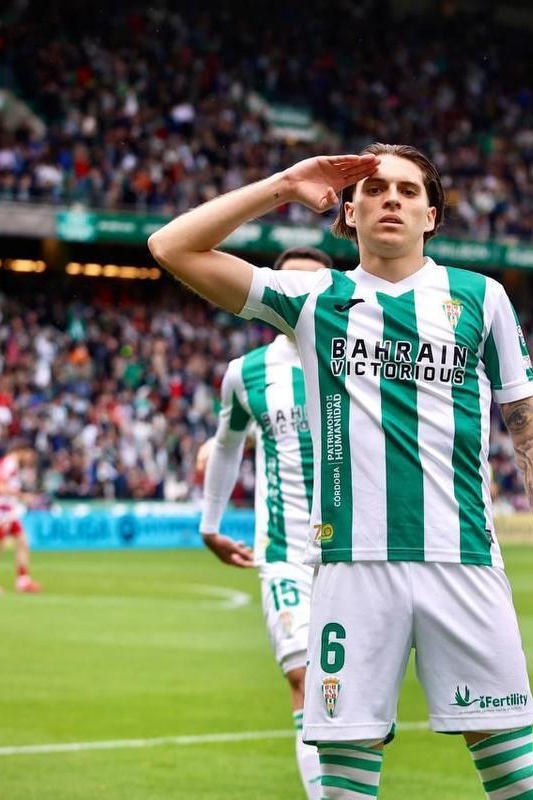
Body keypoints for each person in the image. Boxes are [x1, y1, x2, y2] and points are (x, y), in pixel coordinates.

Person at [149, 143, 533, 800]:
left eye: (409, 191)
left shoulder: (481, 298)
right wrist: (286, 184)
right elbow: (172, 246)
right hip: (350, 569)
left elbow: (529, 436)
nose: (391, 201)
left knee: (514, 779)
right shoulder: (312, 298)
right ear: (347, 210)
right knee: (347, 781)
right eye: (375, 190)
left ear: (432, 215)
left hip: (463, 561)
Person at [198, 246, 334, 798]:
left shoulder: (355, 357)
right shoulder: (247, 373)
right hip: (284, 552)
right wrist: (210, 524)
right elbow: (228, 445)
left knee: (345, 695)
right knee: (304, 679)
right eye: (289, 284)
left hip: (356, 552)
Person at [0, 441, 42, 595]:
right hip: (2, 512)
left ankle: (23, 580)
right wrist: (22, 495)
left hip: (9, 512)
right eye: (29, 454)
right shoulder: (9, 464)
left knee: (22, 542)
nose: (30, 459)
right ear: (22, 451)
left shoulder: (10, 464)